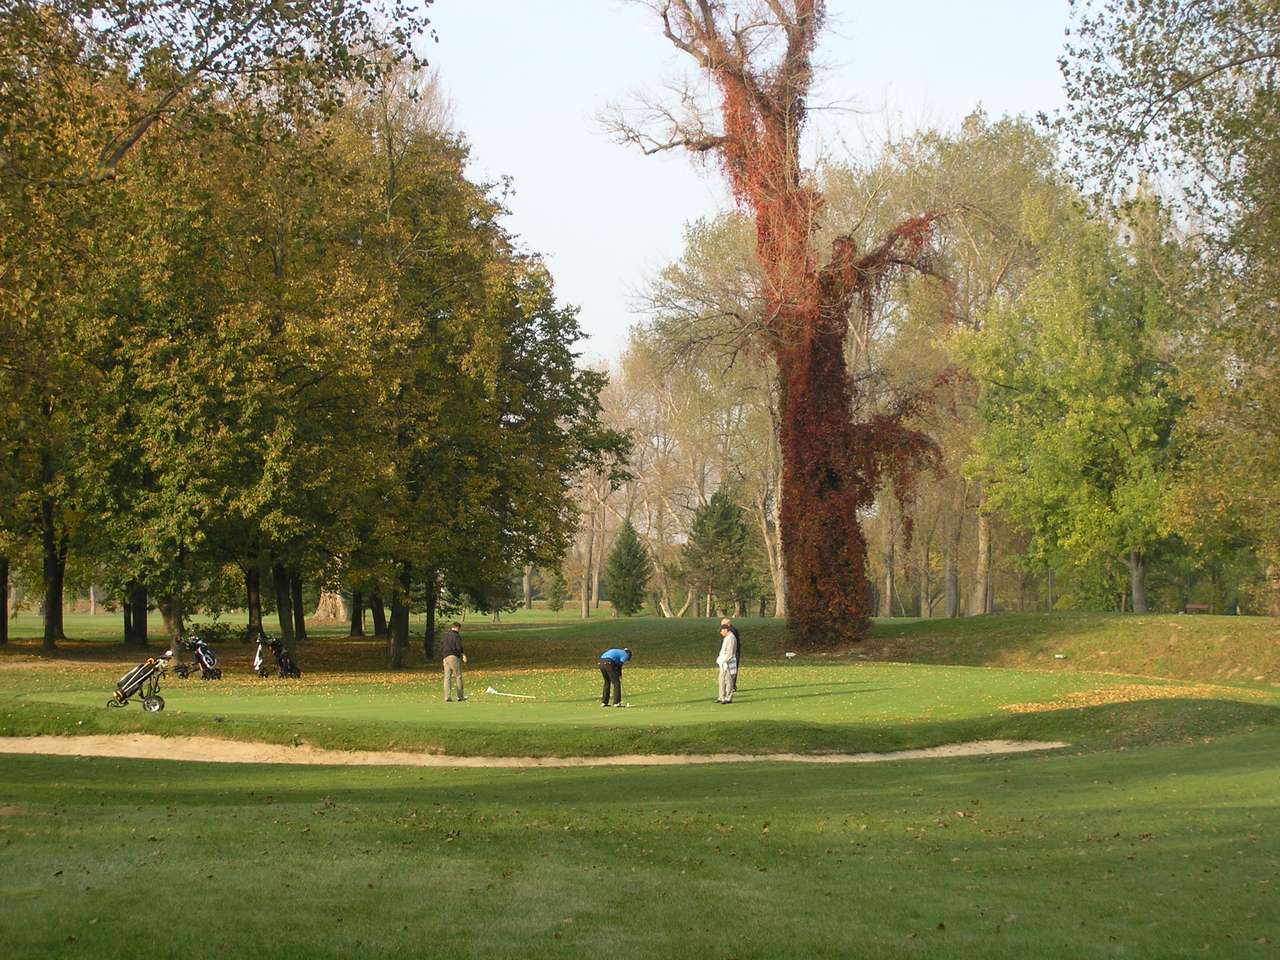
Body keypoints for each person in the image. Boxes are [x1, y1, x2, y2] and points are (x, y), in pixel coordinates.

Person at [441, 622, 467, 702]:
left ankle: (447, 697)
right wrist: (463, 655)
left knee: (447, 677)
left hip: (445, 657)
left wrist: (443, 657)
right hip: (453, 657)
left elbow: (441, 646)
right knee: (458, 676)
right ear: (458, 628)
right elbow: (459, 647)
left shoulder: (445, 636)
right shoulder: (457, 636)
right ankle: (460, 696)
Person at [715, 624, 737, 703]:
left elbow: (730, 653)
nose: (721, 633)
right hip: (723, 662)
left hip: (728, 662)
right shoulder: (727, 638)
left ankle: (728, 697)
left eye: (721, 631)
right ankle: (721, 697)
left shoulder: (731, 638)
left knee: (728, 680)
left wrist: (724, 660)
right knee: (721, 680)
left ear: (725, 630)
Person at [720, 617, 741, 692]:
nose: (722, 628)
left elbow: (731, 644)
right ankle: (730, 686)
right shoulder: (731, 631)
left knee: (730, 671)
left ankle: (731, 686)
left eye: (723, 626)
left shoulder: (732, 631)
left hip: (732, 654)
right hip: (731, 653)